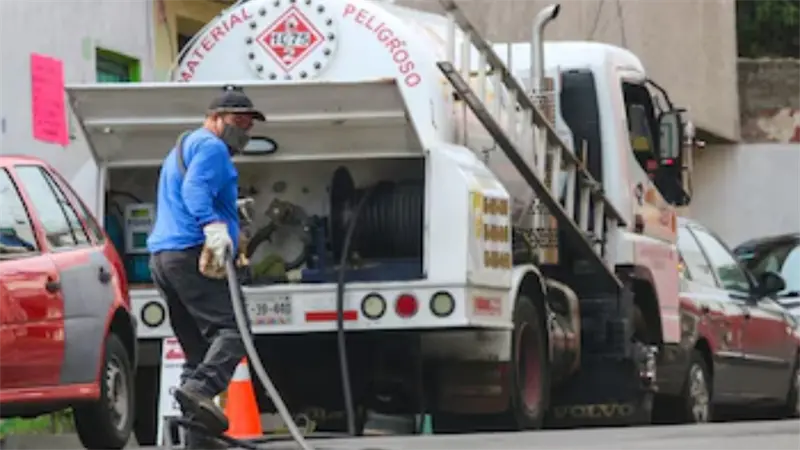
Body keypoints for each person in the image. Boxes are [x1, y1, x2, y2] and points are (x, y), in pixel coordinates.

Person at [147, 85, 265, 449]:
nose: (243, 130)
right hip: (190, 252)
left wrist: (231, 210)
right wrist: (213, 225)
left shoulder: (187, 143)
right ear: (214, 118)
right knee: (235, 330)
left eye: (248, 124)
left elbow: (188, 189)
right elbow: (195, 191)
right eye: (237, 121)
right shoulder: (213, 148)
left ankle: (196, 442)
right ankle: (199, 389)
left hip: (164, 258)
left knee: (197, 350)